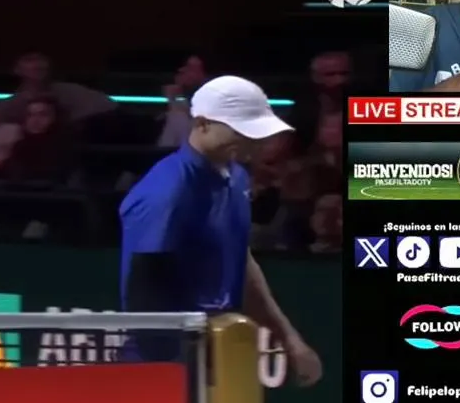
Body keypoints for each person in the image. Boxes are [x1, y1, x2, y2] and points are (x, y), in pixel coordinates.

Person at [117, 75, 323, 385]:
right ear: (202, 124)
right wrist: (173, 378)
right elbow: (145, 297)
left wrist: (288, 338)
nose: (255, 141)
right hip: (165, 367)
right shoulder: (166, 192)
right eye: (241, 131)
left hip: (219, 352)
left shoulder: (237, 176)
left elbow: (240, 261)